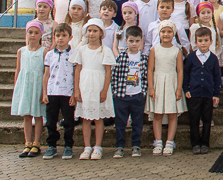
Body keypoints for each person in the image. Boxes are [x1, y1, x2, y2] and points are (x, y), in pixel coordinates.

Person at [71, 18, 116, 160]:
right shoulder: (81, 50)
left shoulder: (105, 50)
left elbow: (108, 71)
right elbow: (77, 70)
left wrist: (104, 90)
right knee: (85, 118)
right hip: (85, 86)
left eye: (95, 31)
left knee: (98, 118)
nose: (91, 33)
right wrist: (76, 90)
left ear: (101, 33)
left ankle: (97, 146)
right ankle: (87, 147)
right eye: (89, 30)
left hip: (98, 85)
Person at [146, 20, 187, 156]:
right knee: (157, 114)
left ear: (174, 34)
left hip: (171, 83)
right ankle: (158, 142)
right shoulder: (154, 50)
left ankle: (169, 142)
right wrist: (151, 87)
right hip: (158, 83)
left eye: (169, 31)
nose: (166, 34)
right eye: (163, 31)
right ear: (159, 33)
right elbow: (150, 69)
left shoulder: (177, 51)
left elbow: (180, 70)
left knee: (172, 114)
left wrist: (178, 88)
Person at [183, 27, 222, 155]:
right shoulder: (191, 57)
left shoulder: (213, 59)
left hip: (208, 95)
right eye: (200, 41)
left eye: (206, 40)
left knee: (207, 120)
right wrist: (186, 89)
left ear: (211, 41)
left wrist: (216, 94)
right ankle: (195, 143)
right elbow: (186, 74)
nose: (203, 43)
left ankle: (205, 143)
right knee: (194, 119)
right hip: (194, 94)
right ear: (195, 42)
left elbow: (217, 77)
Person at [110, 26, 148, 158]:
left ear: (141, 41)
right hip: (122, 96)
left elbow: (145, 76)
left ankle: (136, 145)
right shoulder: (121, 57)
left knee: (137, 122)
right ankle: (120, 146)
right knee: (120, 123)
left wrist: (143, 92)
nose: (134, 44)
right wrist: (116, 92)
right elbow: (114, 76)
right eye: (131, 41)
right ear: (126, 41)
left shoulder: (143, 58)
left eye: (137, 41)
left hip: (137, 95)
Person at [41, 23, 76, 160]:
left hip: (67, 92)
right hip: (52, 92)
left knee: (68, 121)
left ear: (70, 37)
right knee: (51, 121)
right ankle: (52, 146)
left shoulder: (74, 54)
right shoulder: (49, 55)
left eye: (63, 35)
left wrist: (74, 93)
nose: (60, 38)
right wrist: (45, 92)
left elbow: (76, 74)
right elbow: (46, 74)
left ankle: (68, 146)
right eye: (57, 35)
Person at [12, 21, 46, 158]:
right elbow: (18, 70)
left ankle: (36, 143)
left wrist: (44, 90)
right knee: (26, 115)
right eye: (30, 32)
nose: (33, 35)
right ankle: (27, 143)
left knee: (38, 115)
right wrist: (17, 87)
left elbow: (45, 72)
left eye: (36, 33)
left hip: (37, 86)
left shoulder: (44, 51)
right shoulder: (21, 51)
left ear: (41, 35)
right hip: (25, 86)